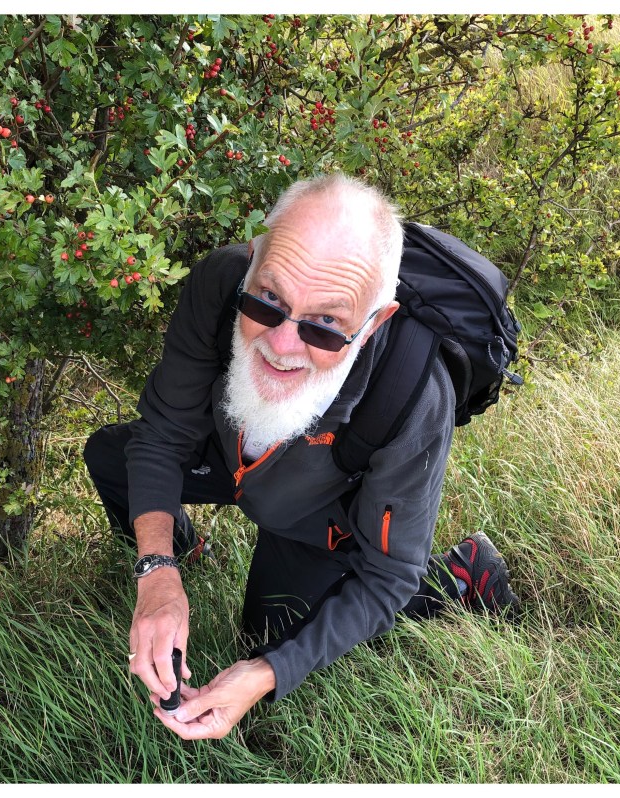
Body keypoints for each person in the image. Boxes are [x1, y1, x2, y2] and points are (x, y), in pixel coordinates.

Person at [83, 173, 519, 741]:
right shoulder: (219, 283)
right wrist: (158, 571)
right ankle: (187, 556)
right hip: (231, 457)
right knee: (113, 457)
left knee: (268, 638)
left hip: (316, 516)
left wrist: (269, 672)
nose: (283, 345)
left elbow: (387, 575)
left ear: (374, 323)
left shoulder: (412, 390)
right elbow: (162, 435)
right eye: (269, 300)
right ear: (252, 260)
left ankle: (458, 576)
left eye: (326, 324)